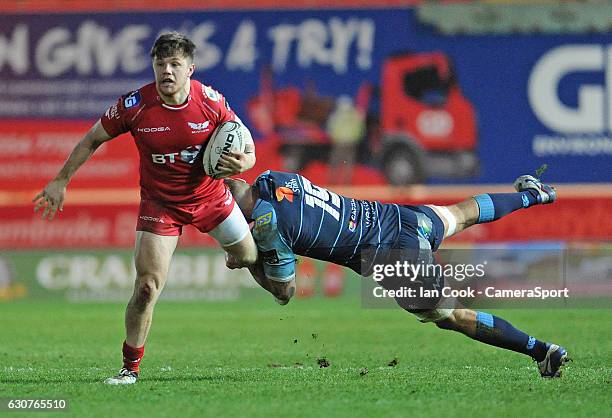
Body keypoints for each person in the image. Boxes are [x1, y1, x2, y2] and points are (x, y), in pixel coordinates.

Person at [33, 32, 258, 385]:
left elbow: (246, 143)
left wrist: (244, 162)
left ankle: (246, 243)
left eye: (175, 65)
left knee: (247, 258)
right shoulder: (135, 106)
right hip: (161, 204)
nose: (166, 71)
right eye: (160, 64)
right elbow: (93, 138)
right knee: (146, 288)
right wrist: (61, 180)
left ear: (190, 70)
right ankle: (129, 368)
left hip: (210, 197)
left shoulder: (211, 102)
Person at [225, 170, 570, 378]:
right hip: (394, 217)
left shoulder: (270, 227)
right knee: (461, 213)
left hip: (391, 254)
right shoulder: (275, 179)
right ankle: (532, 195)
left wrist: (248, 260)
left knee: (452, 316)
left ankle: (542, 351)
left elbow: (284, 293)